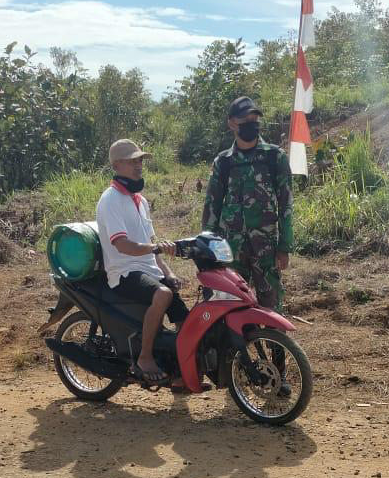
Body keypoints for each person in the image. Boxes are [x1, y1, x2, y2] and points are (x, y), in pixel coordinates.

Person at [96, 138, 188, 384]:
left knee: (184, 318)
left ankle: (179, 371)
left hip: (146, 269)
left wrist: (168, 272)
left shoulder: (141, 201)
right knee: (163, 295)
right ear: (117, 165)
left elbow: (151, 244)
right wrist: (156, 248)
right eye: (133, 161)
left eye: (140, 161)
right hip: (124, 271)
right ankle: (144, 358)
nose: (139, 166)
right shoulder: (110, 200)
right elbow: (123, 245)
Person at [201, 96, 294, 311]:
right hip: (230, 248)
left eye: (254, 118)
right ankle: (237, 344)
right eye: (245, 119)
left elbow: (286, 204)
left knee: (271, 305)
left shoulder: (274, 157)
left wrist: (284, 247)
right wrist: (207, 247)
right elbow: (212, 206)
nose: (251, 123)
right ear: (232, 123)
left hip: (266, 247)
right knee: (230, 302)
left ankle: (277, 344)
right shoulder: (223, 162)